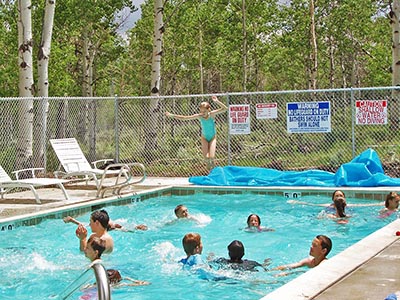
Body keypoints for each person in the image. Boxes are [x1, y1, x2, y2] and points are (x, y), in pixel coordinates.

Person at [165, 95, 228, 169]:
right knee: (206, 158)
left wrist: (217, 101)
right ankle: (209, 170)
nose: (202, 113)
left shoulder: (212, 115)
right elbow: (184, 118)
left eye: (204, 111)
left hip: (212, 138)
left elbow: (225, 109)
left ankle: (213, 168)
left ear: (208, 110)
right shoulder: (199, 116)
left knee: (212, 157)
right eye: (201, 111)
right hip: (204, 138)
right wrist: (172, 115)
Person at [64, 215, 148, 232]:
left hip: (114, 225)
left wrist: (135, 228)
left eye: (91, 221)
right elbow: (84, 224)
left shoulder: (111, 226)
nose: (89, 223)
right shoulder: (95, 224)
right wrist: (72, 220)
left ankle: (137, 227)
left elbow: (123, 229)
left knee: (119, 228)